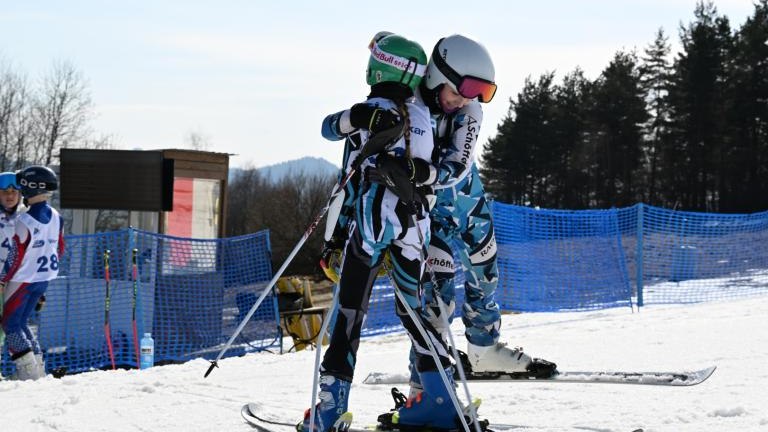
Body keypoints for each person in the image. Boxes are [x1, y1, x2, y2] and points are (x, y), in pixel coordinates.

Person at [303, 34, 462, 431]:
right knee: (415, 311)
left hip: (370, 227)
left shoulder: (370, 110)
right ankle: (442, 397)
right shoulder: (424, 116)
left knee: (349, 314)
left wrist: (334, 239)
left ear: (381, 67)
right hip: (414, 227)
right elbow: (434, 171)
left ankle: (329, 410)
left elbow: (334, 144)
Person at [409, 35, 556, 392]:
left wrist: (430, 174)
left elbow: (459, 162)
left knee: (485, 275)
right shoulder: (411, 107)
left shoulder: (469, 109)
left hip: (471, 207)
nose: (467, 100)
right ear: (437, 75)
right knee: (436, 293)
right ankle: (428, 370)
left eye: (480, 92)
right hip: (431, 215)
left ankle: (483, 348)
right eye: (463, 89)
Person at [1, 166, 63, 380]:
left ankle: (28, 371)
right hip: (43, 277)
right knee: (22, 321)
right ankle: (36, 366)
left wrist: (2, 279)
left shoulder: (24, 220)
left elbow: (14, 256)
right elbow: (60, 248)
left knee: (10, 323)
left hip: (22, 278)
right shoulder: (56, 216)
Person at [0, 172, 26, 355]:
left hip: (15, 282)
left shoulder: (25, 217)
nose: (9, 196)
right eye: (4, 191)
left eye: (14, 192)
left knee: (9, 326)